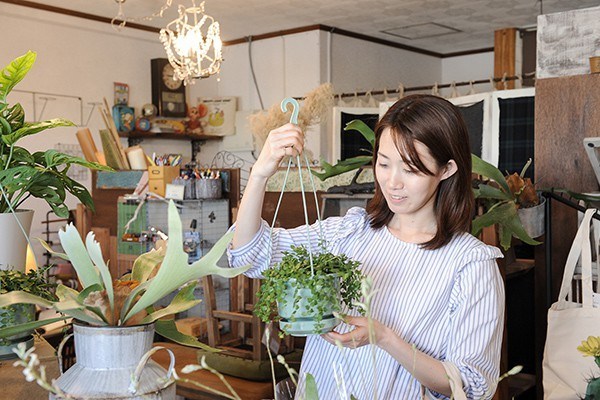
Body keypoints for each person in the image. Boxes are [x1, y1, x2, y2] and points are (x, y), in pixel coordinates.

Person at [228, 94, 504, 399]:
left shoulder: (470, 264)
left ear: (447, 169)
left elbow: (472, 386)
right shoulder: (350, 231)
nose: (392, 182)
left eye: (410, 170)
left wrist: (384, 337)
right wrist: (260, 173)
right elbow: (249, 254)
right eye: (383, 164)